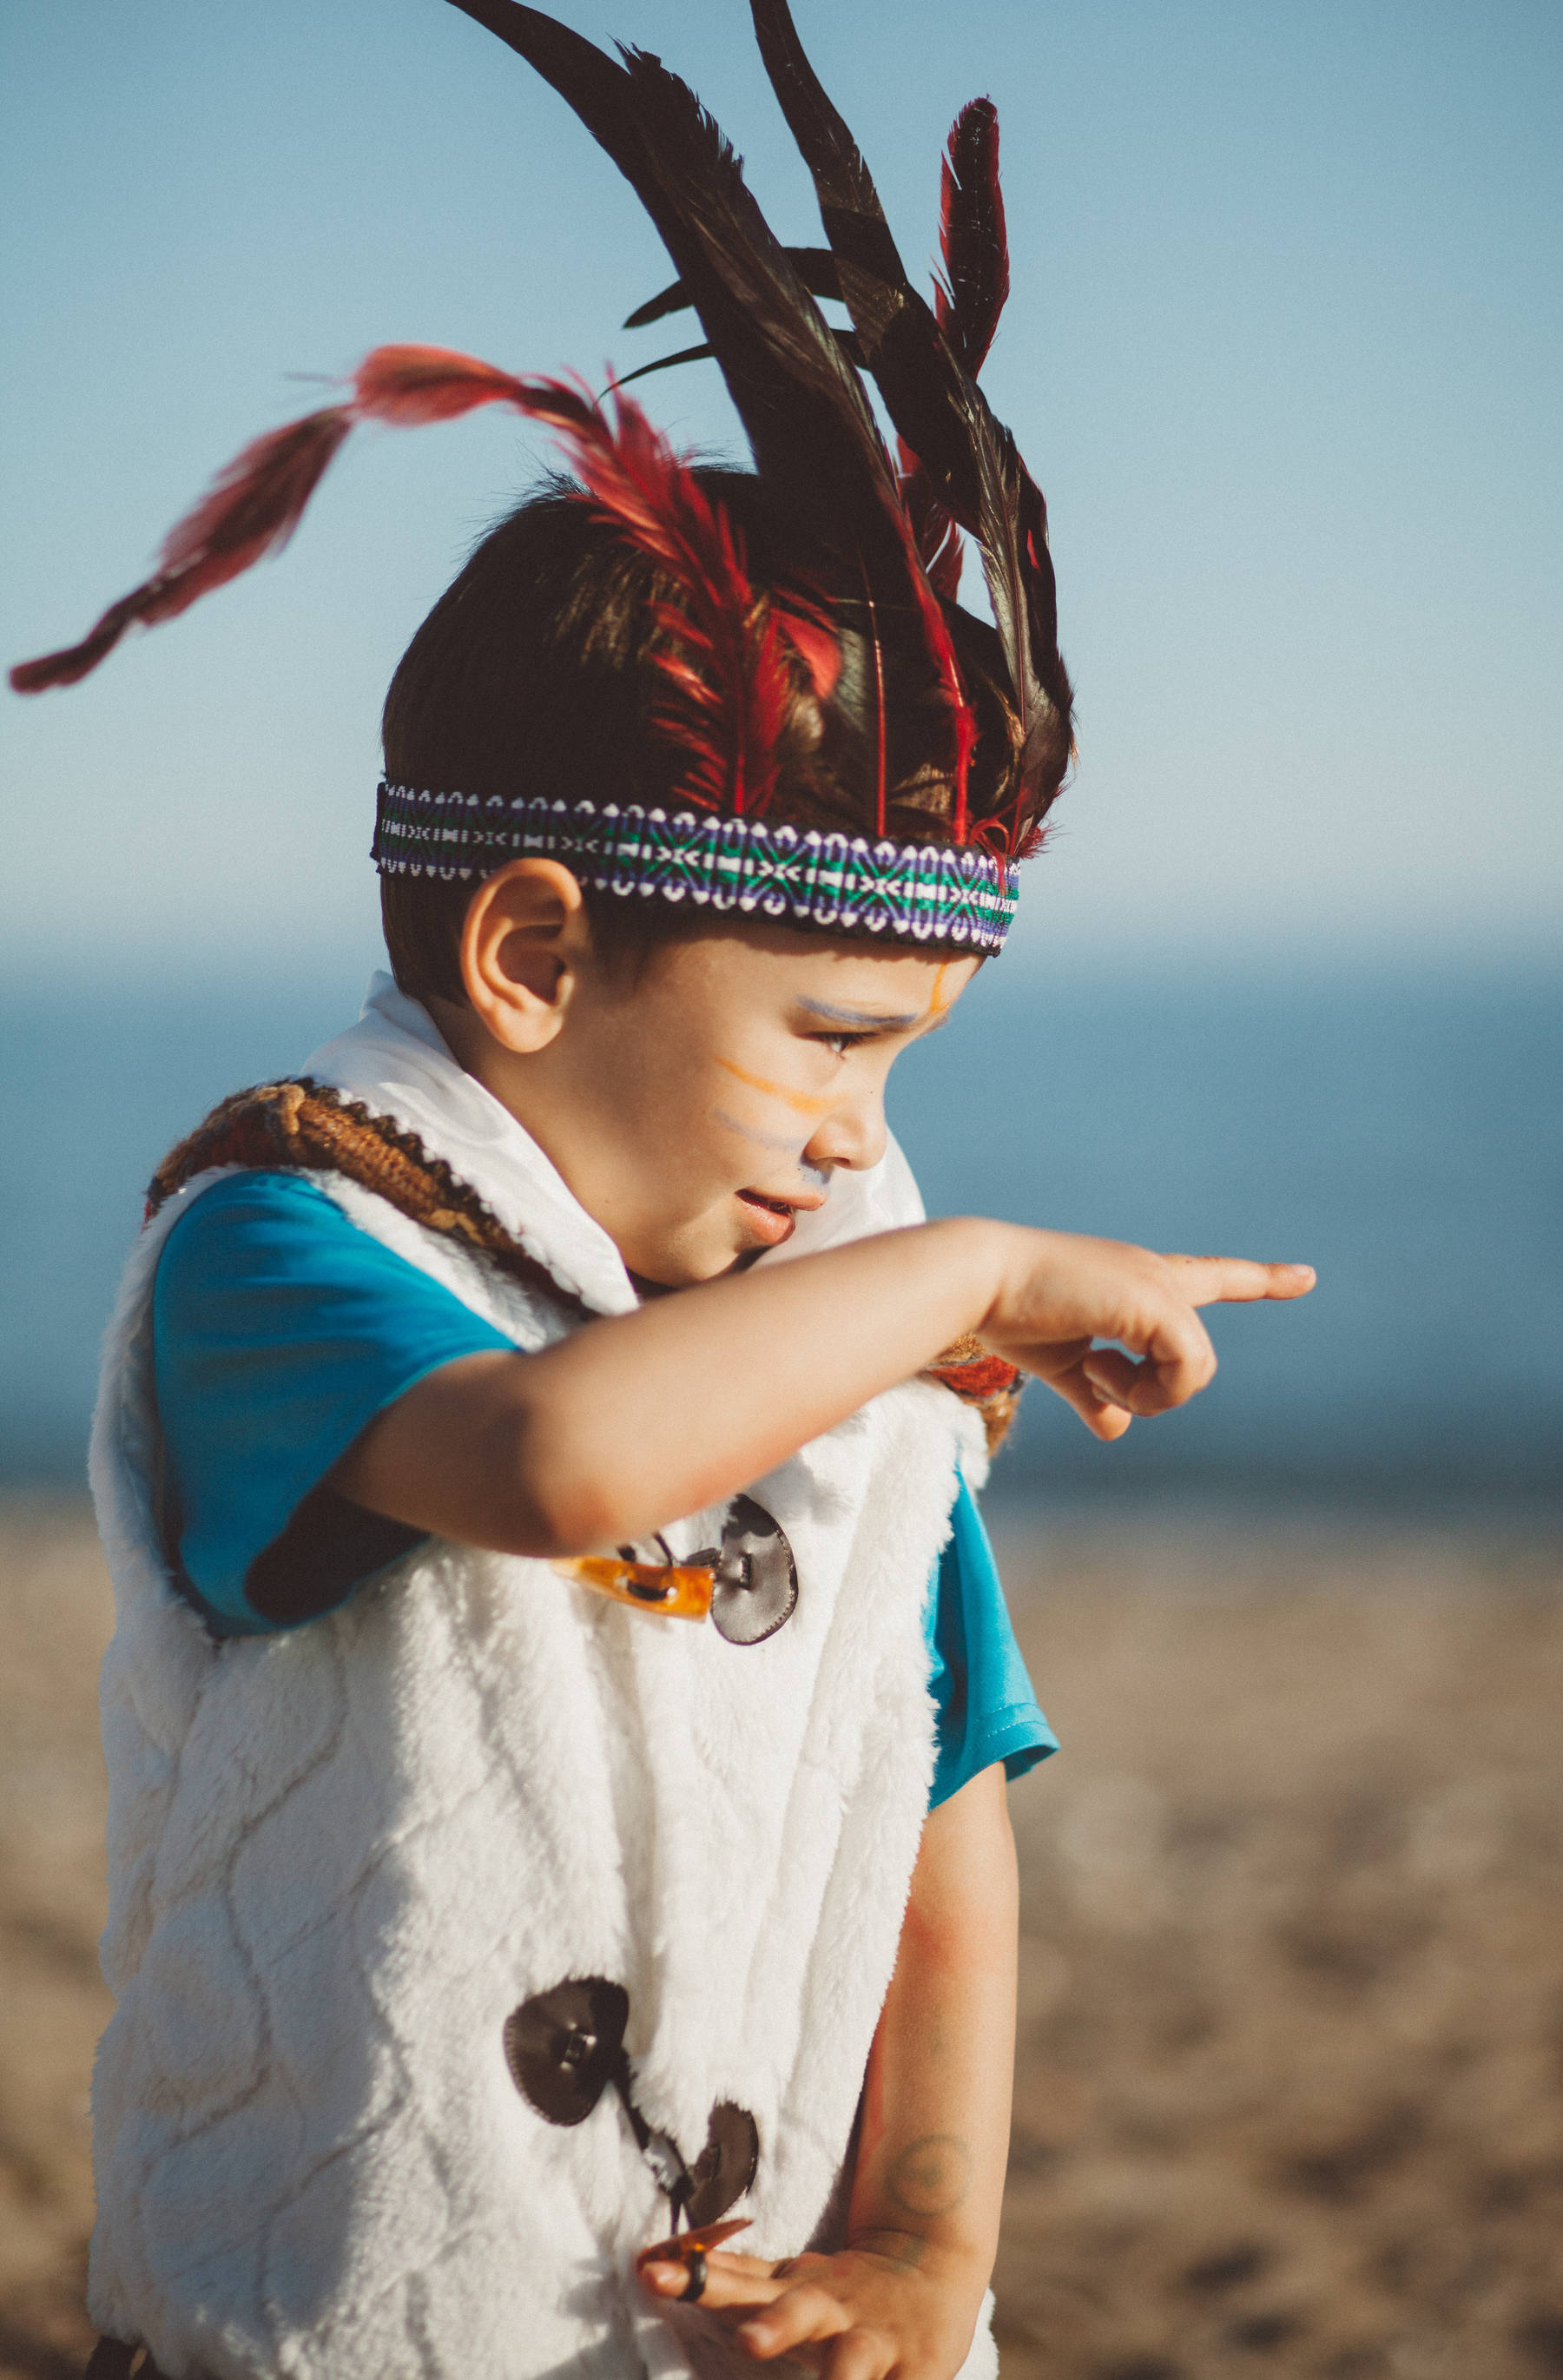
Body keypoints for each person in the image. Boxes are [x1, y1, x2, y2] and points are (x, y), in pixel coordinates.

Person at [16, 6, 1312, 2375]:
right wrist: (977, 1270)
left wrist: (930, 2242)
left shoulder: (854, 1334)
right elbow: (562, 1459)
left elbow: (943, 1818)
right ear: (530, 952)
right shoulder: (291, 1239)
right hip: (338, 2317)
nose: (858, 1130)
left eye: (904, 1065)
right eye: (823, 1037)